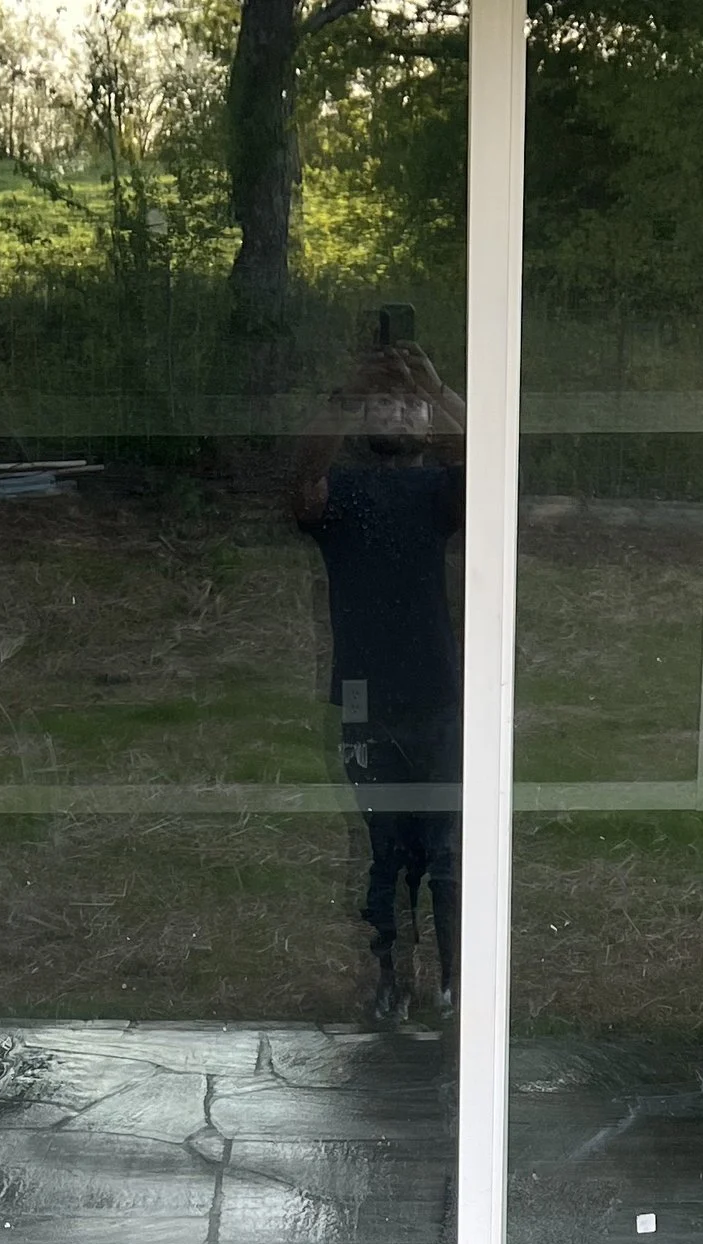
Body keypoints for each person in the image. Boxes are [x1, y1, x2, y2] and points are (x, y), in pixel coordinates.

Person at [294, 325, 465, 1021]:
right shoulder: (344, 492)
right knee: (386, 848)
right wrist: (347, 395)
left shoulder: (443, 490)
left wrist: (436, 388)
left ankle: (456, 987)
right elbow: (302, 480)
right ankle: (391, 979)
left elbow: (494, 464)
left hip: (442, 695)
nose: (397, 410)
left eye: (410, 402)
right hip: (366, 695)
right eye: (383, 401)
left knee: (447, 846)